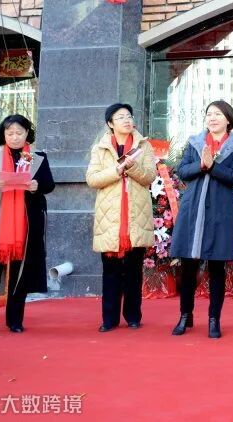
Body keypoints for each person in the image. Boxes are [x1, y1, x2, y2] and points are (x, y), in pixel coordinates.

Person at [0, 114, 54, 335]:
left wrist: (36, 185)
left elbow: (49, 184)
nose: (15, 137)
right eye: (10, 133)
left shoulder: (37, 158)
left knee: (20, 272)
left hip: (26, 223)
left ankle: (15, 320)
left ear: (27, 134)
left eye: (19, 133)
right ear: (3, 135)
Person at [169, 100, 233, 339]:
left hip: (220, 212)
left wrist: (213, 167)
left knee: (216, 266)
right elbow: (183, 171)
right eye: (209, 114)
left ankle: (214, 319)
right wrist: (201, 164)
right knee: (188, 265)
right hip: (193, 210)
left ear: (228, 120)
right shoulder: (195, 142)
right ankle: (185, 315)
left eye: (218, 114)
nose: (212, 118)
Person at [86, 103, 158, 332]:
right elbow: (92, 179)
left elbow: (150, 176)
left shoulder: (143, 145)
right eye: (120, 117)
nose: (127, 120)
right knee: (111, 271)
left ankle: (133, 316)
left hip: (136, 215)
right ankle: (109, 319)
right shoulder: (100, 148)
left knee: (134, 271)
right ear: (110, 123)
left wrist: (133, 167)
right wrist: (116, 171)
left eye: (129, 116)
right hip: (111, 218)